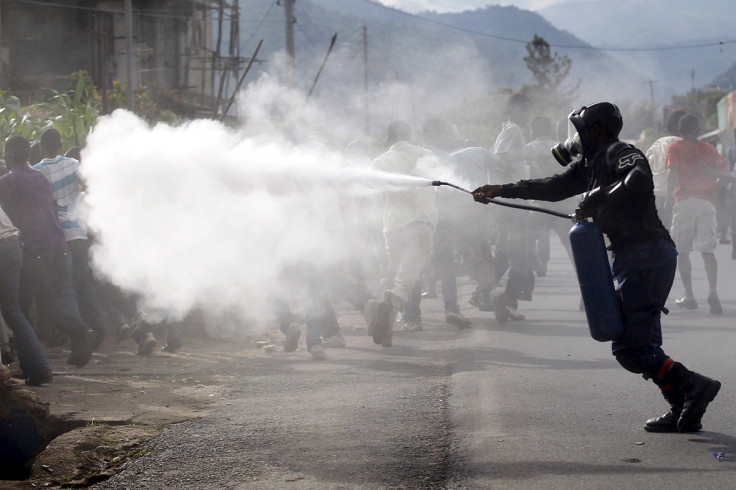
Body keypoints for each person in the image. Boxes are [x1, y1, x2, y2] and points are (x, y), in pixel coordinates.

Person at [472, 102, 721, 433]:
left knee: (630, 349)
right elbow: (549, 187)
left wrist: (599, 196)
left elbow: (640, 179)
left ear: (597, 130)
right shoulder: (589, 166)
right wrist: (501, 190)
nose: (575, 139)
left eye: (580, 131)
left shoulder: (620, 152)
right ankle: (682, 406)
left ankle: (694, 386)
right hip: (633, 256)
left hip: (646, 254)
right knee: (642, 345)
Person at [0, 135, 96, 368]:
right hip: (59, 245)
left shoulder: (7, 182)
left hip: (35, 250)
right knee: (54, 303)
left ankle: (35, 364)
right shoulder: (40, 177)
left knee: (20, 308)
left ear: (10, 155)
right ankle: (78, 334)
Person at [367, 121, 438, 347]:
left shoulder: (380, 161)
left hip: (394, 225)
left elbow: (372, 186)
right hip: (422, 222)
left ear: (388, 138)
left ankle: (386, 331)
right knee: (406, 278)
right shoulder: (426, 155)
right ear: (409, 135)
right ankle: (392, 303)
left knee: (392, 275)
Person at [34, 129, 107, 347]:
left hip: (60, 235)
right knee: (83, 283)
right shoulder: (73, 164)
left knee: (66, 286)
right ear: (60, 143)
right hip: (80, 231)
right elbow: (90, 185)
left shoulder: (38, 172)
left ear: (41, 146)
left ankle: (81, 334)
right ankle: (98, 327)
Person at [665, 114, 733, 314]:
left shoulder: (675, 148)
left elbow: (672, 173)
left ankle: (690, 295)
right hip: (706, 203)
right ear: (699, 130)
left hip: (684, 202)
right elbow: (727, 176)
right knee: (708, 251)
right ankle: (713, 292)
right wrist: (716, 187)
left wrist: (669, 197)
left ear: (679, 132)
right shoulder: (709, 149)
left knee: (683, 251)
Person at [0, 203, 53, 385]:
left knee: (12, 311)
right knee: (13, 311)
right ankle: (39, 368)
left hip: (2, 248)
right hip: (12, 245)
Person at [644, 110, 685, 230]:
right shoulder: (686, 146)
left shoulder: (656, 144)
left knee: (659, 238)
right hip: (677, 198)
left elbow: (646, 169)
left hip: (655, 197)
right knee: (677, 240)